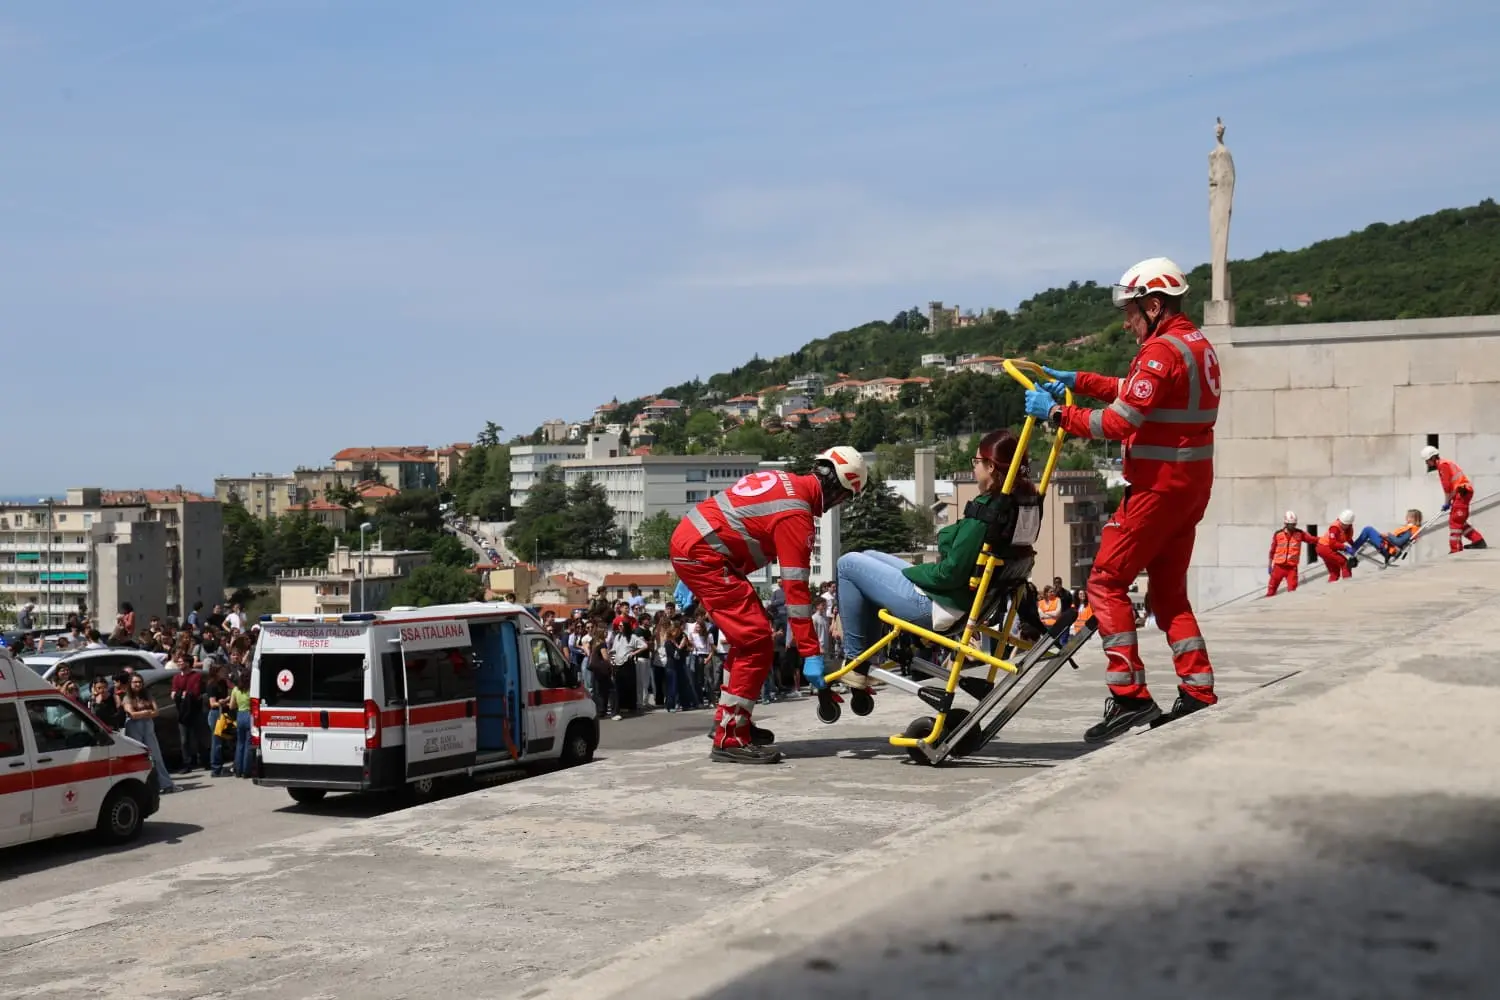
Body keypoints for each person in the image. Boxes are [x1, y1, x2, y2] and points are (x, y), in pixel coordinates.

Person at [1026, 256, 1220, 742]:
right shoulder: (1195, 345)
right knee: (1169, 591)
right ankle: (1198, 690)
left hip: (1157, 488)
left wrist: (1056, 414)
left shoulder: (1159, 352)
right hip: (1190, 485)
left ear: (1154, 305)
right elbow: (1135, 392)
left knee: (1105, 583)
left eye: (1131, 311)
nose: (1127, 320)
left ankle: (1129, 695)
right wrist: (1077, 380)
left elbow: (1119, 421)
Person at [670, 446, 867, 764]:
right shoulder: (797, 516)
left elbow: (736, 526)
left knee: (747, 638)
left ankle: (732, 720)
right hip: (704, 554)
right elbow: (797, 595)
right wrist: (811, 656)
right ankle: (730, 737)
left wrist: (689, 565)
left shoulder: (781, 480)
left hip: (696, 544)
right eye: (844, 497)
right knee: (756, 641)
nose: (838, 506)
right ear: (838, 490)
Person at [836, 430, 1035, 671]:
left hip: (939, 605)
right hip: (967, 601)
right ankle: (865, 656)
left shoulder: (986, 514)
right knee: (868, 556)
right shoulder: (1020, 506)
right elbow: (952, 542)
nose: (974, 468)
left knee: (847, 564)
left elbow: (949, 571)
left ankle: (856, 659)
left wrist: (915, 572)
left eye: (977, 462)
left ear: (991, 467)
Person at [1421, 445, 1486, 552]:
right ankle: (1477, 540)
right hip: (1462, 492)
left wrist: (1446, 502)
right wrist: (1449, 501)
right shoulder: (1445, 464)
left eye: (1427, 461)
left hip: (1462, 493)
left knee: (1455, 521)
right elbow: (1452, 487)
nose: (1427, 464)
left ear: (1433, 458)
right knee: (1460, 520)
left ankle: (1455, 549)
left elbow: (1447, 488)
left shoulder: (1443, 466)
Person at [1266, 511, 1319, 596]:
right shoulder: (1278, 534)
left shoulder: (1300, 534)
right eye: (1291, 524)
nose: (1293, 526)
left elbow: (1311, 539)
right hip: (1278, 567)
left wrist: (1324, 540)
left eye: (1294, 524)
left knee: (1292, 590)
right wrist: (1269, 565)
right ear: (1286, 524)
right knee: (1271, 590)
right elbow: (1272, 551)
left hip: (1291, 568)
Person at [1349, 509, 1424, 565]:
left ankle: (1351, 550)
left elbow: (1399, 542)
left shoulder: (1411, 530)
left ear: (1415, 519)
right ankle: (1353, 551)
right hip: (1388, 545)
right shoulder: (1410, 528)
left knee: (1368, 529)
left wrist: (1388, 535)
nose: (1406, 518)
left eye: (1409, 517)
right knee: (1368, 533)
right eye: (1407, 516)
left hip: (1388, 548)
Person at [1317, 512, 1356, 582]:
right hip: (1324, 547)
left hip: (1325, 548)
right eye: (1342, 523)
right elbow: (1332, 543)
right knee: (1345, 563)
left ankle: (1331, 588)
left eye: (1345, 524)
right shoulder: (1335, 528)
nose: (1343, 525)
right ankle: (1348, 584)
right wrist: (1345, 547)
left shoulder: (1348, 528)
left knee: (1334, 572)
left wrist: (1354, 546)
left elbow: (1348, 538)